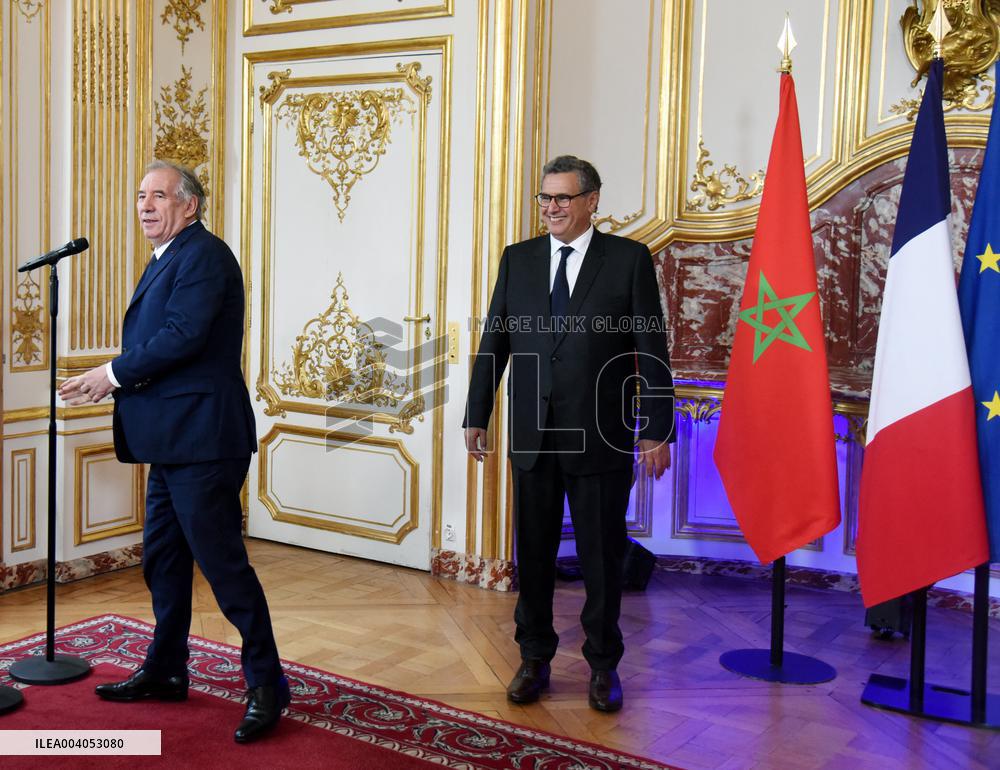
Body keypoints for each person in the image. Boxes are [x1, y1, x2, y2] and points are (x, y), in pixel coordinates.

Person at [59, 160, 289, 743]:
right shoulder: (167, 257)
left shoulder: (206, 257)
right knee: (162, 562)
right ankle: (166, 669)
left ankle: (267, 684)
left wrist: (110, 374)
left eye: (158, 196)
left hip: (205, 441)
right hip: (171, 442)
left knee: (223, 568)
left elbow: (181, 338)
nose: (145, 206)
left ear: (190, 205)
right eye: (140, 196)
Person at [463, 155, 675, 712]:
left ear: (591, 202)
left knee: (602, 557)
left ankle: (604, 665)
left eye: (562, 198)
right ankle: (533, 659)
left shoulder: (628, 260)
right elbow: (495, 342)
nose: (551, 208)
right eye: (545, 198)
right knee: (532, 555)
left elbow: (651, 350)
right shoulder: (519, 260)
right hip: (532, 435)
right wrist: (476, 413)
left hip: (600, 436)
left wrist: (656, 428)